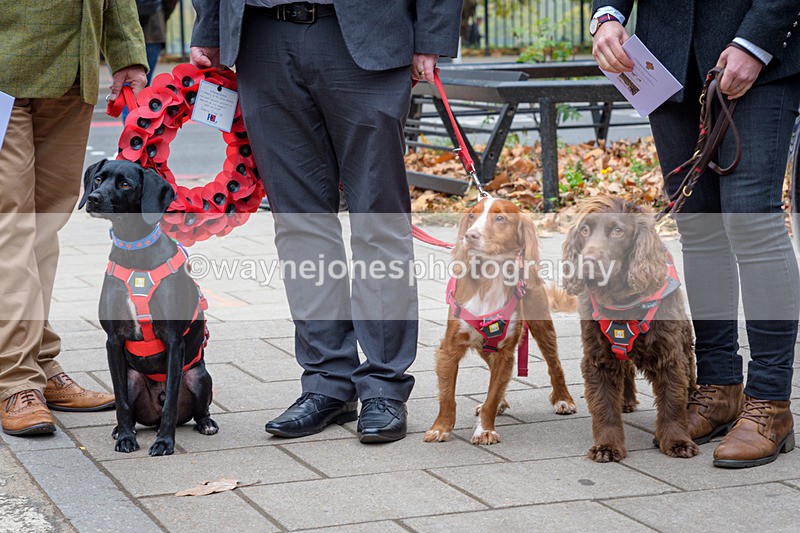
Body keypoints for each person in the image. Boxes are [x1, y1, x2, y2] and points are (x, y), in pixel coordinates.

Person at [190, 0, 461, 443]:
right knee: (299, 223)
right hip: (262, 38)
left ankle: (383, 386)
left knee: (378, 222)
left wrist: (431, 37)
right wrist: (210, 24)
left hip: (365, 37)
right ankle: (326, 383)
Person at [591, 0, 800, 468]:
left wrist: (756, 40)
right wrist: (607, 15)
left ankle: (770, 404)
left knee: (753, 224)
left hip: (753, 52)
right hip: (663, 63)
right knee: (700, 228)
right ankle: (719, 387)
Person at [0, 1, 148, 436]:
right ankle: (14, 380)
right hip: (4, 69)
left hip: (73, 70)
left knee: (44, 229)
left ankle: (41, 362)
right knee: (11, 227)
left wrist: (126, 53)